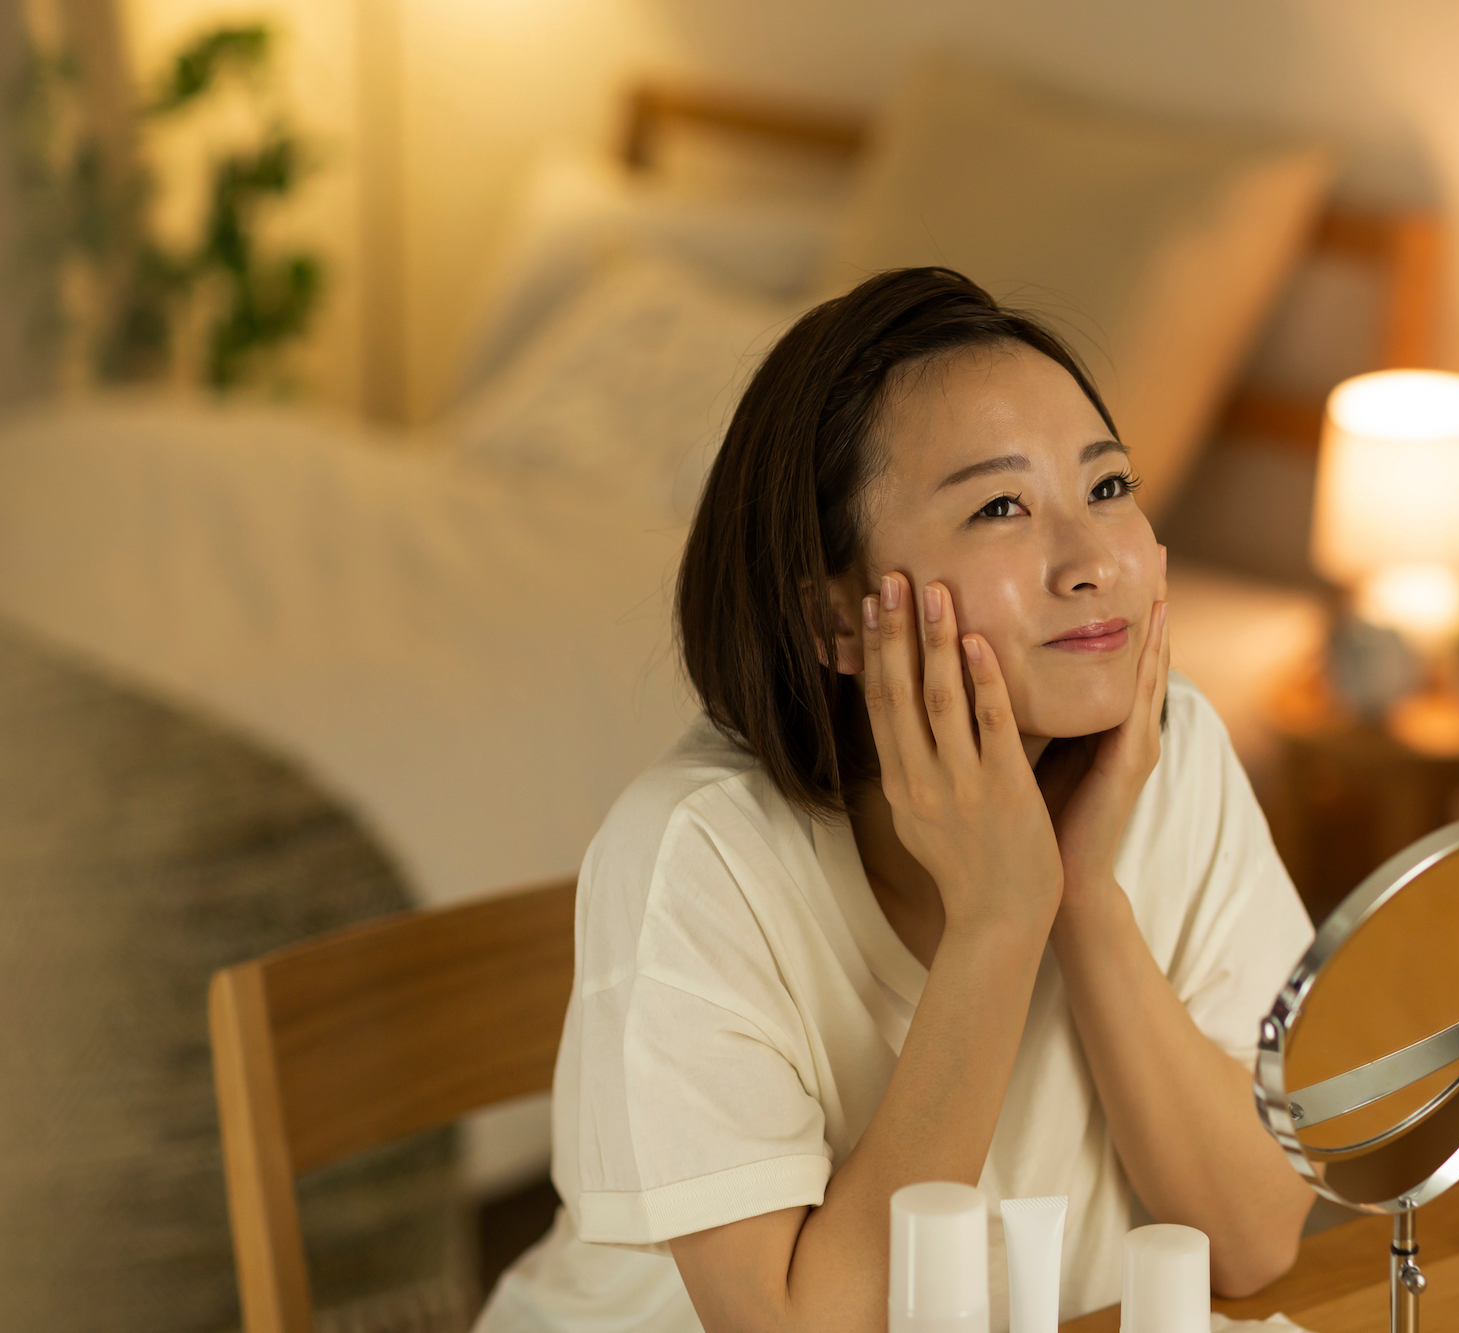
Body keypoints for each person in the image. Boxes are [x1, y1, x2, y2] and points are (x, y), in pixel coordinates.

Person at [476, 267, 1317, 1333]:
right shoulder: (697, 855)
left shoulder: (1168, 750)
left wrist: (1085, 898)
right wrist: (999, 920)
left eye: (1105, 488)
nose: (1092, 561)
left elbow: (1250, 1239)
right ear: (834, 617)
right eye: (1000, 506)